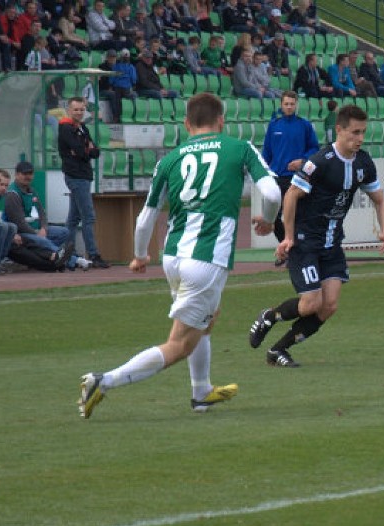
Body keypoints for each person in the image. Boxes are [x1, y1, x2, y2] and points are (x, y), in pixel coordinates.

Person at [77, 92, 282, 418]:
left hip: (173, 256)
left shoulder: (170, 159)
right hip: (206, 258)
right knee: (179, 344)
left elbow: (146, 217)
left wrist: (141, 255)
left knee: (207, 320)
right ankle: (102, 382)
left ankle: (201, 392)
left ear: (186, 124)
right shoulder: (239, 147)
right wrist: (269, 220)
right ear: (221, 120)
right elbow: (272, 192)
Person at [247, 104, 384, 368]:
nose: (360, 138)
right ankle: (271, 315)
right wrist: (288, 237)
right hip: (306, 241)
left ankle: (278, 351)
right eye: (354, 132)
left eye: (363, 132)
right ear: (339, 129)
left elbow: (380, 199)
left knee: (329, 306)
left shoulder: (364, 162)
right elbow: (291, 194)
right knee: (309, 304)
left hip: (332, 243)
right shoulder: (320, 161)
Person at [261, 90, 319, 262]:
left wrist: (302, 161)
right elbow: (267, 152)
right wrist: (265, 172)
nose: (288, 107)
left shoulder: (304, 125)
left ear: (296, 105)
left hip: (298, 178)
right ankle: (286, 249)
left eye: (291, 104)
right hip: (277, 177)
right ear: (281, 105)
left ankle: (296, 252)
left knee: (297, 216)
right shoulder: (274, 125)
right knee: (274, 217)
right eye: (286, 104)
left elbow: (314, 149)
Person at [4, 160, 90, 270]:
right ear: (17, 175)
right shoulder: (13, 194)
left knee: (64, 232)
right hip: (22, 233)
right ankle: (75, 261)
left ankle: (56, 258)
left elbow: (42, 213)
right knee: (42, 241)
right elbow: (19, 223)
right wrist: (36, 233)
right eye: (24, 174)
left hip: (37, 230)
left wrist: (44, 228)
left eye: (30, 174)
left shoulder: (32, 191)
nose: (28, 176)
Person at [58, 96, 110, 268]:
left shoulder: (82, 127)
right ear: (69, 110)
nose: (79, 112)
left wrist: (85, 150)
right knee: (88, 216)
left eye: (82, 109)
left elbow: (94, 152)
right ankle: (93, 255)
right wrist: (86, 150)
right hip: (76, 175)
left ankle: (69, 253)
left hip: (83, 175)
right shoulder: (66, 128)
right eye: (76, 109)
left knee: (74, 218)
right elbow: (82, 151)